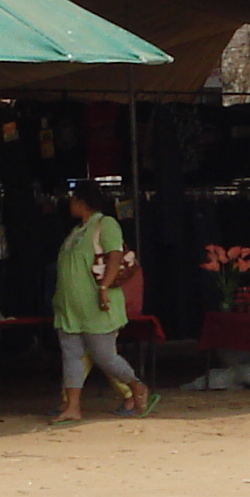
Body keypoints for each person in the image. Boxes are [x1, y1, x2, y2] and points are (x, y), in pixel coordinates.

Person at [51, 181, 149, 423]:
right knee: (71, 355)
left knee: (104, 355)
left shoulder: (106, 224)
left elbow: (114, 254)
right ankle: (73, 407)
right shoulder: (76, 231)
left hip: (97, 304)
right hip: (70, 307)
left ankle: (136, 386)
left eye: (73, 199)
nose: (70, 204)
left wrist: (104, 286)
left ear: (82, 201)